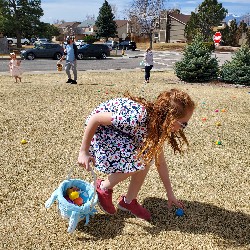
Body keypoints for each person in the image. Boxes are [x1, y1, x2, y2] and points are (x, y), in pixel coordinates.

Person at [77, 88, 195, 221]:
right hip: (102, 130)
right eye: (183, 124)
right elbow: (96, 119)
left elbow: (159, 162)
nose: (183, 128)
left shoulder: (157, 126)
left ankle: (128, 202)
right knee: (142, 159)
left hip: (120, 131)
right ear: (170, 118)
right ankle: (102, 187)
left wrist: (170, 192)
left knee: (147, 157)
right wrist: (84, 152)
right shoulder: (138, 117)